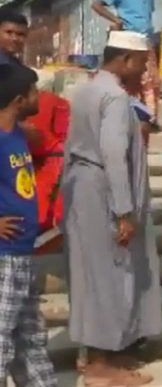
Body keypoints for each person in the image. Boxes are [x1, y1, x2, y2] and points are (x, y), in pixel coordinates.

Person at [64, 31, 162, 385]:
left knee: (92, 274)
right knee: (108, 276)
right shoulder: (115, 98)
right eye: (142, 64)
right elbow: (114, 155)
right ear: (125, 60)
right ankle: (99, 365)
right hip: (102, 192)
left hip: (82, 187)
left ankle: (103, 353)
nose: (144, 72)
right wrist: (123, 211)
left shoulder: (85, 89)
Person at [0, 64, 58, 387]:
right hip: (4, 255)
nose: (41, 97)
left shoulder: (17, 135)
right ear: (19, 100)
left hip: (23, 252)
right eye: (35, 92)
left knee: (30, 338)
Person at [91, 0, 160, 125]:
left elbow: (147, 13)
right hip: (127, 39)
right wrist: (115, 20)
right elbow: (97, 5)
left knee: (150, 80)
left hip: (145, 39)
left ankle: (149, 117)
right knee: (127, 78)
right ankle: (121, 114)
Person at [26, 70, 70, 254]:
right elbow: (63, 133)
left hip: (40, 156)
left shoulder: (22, 104)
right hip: (52, 155)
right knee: (47, 204)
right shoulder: (60, 103)